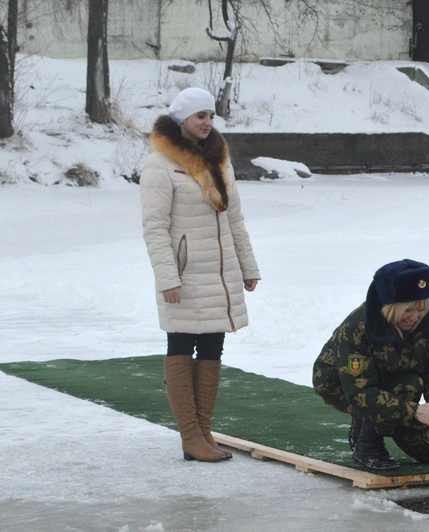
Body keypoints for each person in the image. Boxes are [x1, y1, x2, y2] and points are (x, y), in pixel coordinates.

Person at [140, 87, 261, 462]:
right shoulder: (160, 165)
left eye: (210, 115)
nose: (207, 122)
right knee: (181, 346)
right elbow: (155, 227)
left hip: (220, 274)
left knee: (212, 346)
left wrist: (248, 266)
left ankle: (204, 432)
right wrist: (168, 279)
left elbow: (234, 220)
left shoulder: (219, 159)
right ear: (182, 121)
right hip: (186, 275)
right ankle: (190, 436)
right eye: (200, 116)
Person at [312, 259, 429, 472]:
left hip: (398, 383)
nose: (415, 317)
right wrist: (414, 411)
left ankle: (388, 422)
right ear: (389, 307)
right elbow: (360, 392)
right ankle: (367, 445)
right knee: (405, 386)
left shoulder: (427, 323)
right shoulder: (358, 328)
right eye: (407, 311)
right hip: (341, 384)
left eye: (421, 309)